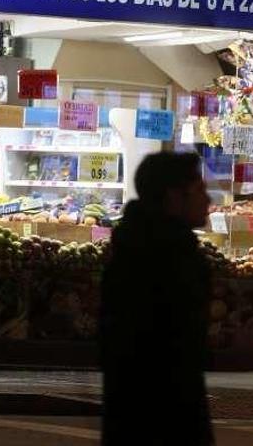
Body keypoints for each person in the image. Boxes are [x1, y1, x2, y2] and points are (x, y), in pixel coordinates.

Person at [100, 151, 213, 446]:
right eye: (199, 190)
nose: (208, 200)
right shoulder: (166, 255)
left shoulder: (134, 244)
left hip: (137, 406)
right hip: (163, 406)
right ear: (173, 196)